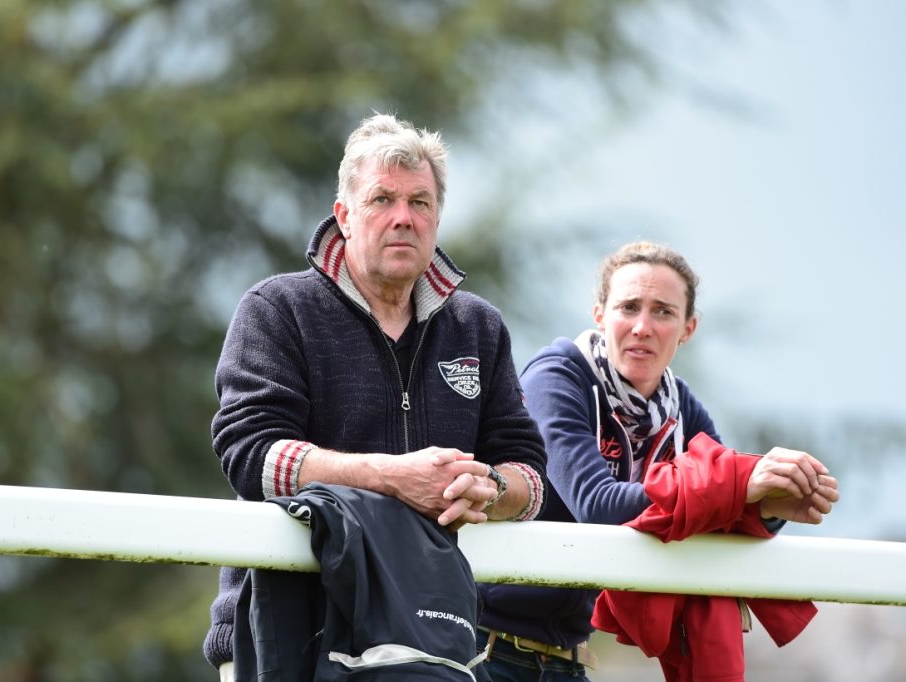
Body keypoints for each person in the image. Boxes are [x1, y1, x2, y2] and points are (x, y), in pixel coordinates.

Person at [202, 113, 548, 680]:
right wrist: (392, 476)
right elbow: (251, 458)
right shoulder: (277, 309)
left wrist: (490, 488)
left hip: (430, 637)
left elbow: (530, 474)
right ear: (343, 215)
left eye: (420, 202)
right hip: (286, 628)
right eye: (381, 199)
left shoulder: (478, 328)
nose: (403, 219)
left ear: (438, 218)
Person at [476, 241, 840, 681]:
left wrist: (767, 507)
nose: (642, 326)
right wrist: (744, 485)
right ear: (599, 315)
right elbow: (598, 505)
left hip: (567, 658)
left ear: (688, 329)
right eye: (628, 307)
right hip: (485, 649)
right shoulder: (556, 378)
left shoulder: (680, 408)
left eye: (663, 312)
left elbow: (720, 507)